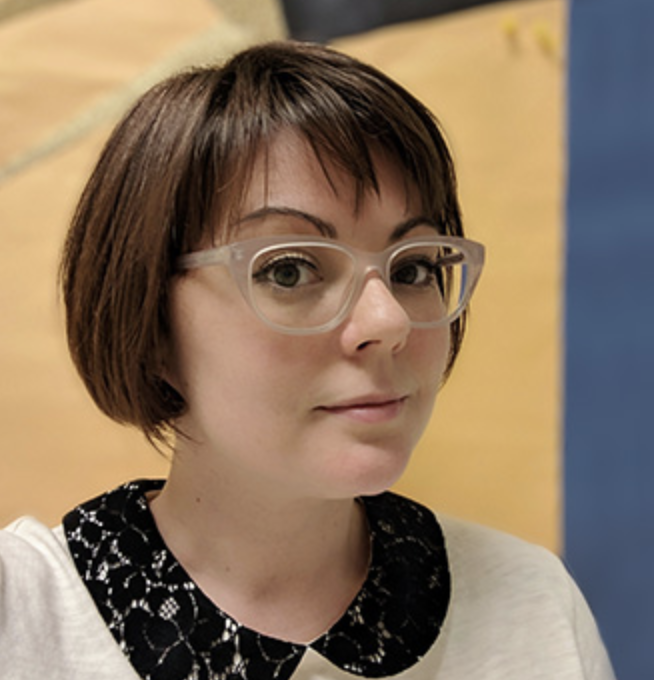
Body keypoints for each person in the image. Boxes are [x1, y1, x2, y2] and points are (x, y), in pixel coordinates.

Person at [0, 41, 616, 679]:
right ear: (150, 319)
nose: (389, 321)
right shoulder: (20, 614)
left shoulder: (534, 606)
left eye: (413, 267)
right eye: (290, 270)